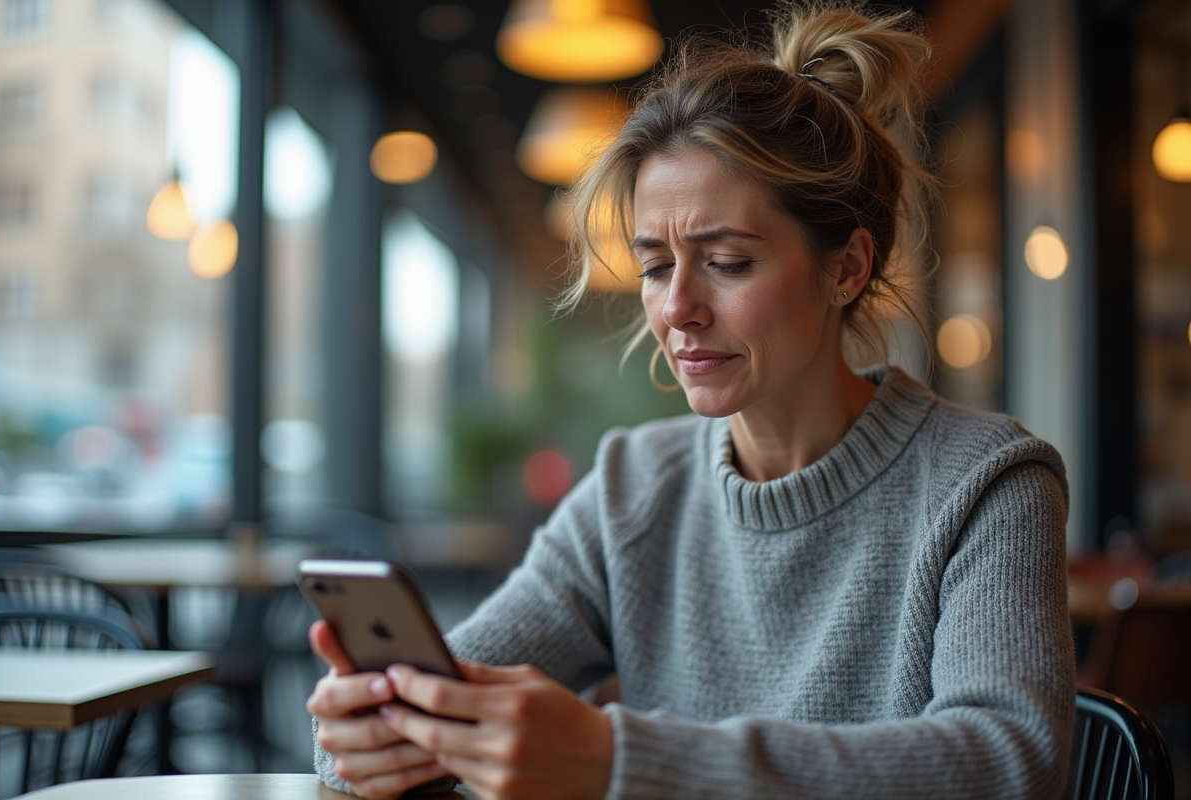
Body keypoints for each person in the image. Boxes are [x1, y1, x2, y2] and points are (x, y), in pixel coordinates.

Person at [307, 2, 1076, 798]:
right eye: (653, 266)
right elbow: (455, 681)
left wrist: (618, 763)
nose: (677, 310)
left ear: (846, 269)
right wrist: (371, 729)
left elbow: (1009, 761)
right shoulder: (633, 484)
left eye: (729, 262)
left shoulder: (987, 480)